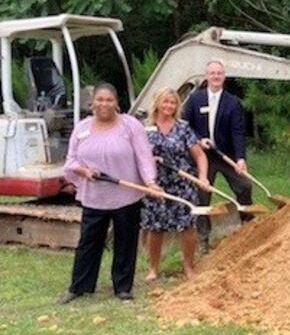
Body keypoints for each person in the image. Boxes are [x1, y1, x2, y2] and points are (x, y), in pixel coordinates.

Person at [59, 83, 159, 304]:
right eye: (100, 100)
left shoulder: (130, 126)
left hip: (126, 196)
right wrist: (85, 171)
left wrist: (150, 182)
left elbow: (144, 157)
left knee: (125, 241)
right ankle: (80, 286)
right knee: (88, 242)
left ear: (116, 103)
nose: (104, 104)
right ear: (92, 102)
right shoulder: (82, 128)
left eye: (109, 100)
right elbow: (71, 161)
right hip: (95, 197)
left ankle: (123, 287)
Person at [182, 59, 253, 251]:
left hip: (225, 155)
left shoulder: (233, 102)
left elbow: (238, 132)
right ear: (206, 76)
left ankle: (248, 224)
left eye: (219, 73)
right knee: (201, 196)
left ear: (224, 76)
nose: (215, 76)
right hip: (202, 156)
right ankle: (203, 239)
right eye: (212, 73)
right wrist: (198, 140)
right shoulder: (195, 99)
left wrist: (240, 158)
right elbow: (185, 126)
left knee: (245, 185)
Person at [143, 87, 210, 280]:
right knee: (155, 228)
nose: (169, 106)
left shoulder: (183, 128)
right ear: (157, 103)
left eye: (172, 103)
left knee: (188, 227)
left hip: (182, 184)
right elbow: (137, 156)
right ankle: (153, 269)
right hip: (156, 185)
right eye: (165, 102)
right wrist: (149, 161)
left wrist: (203, 177)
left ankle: (189, 267)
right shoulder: (145, 128)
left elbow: (200, 155)